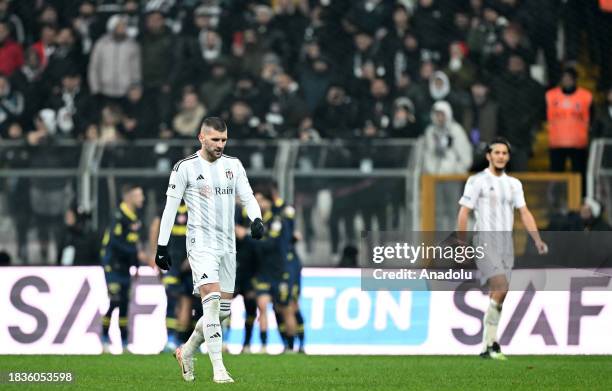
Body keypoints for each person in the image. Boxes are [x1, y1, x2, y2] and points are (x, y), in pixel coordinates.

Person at [154, 117, 264, 383]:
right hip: (201, 246)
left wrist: (256, 218)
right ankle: (219, 370)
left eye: (224, 140)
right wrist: (161, 245)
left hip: (228, 246)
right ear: (201, 137)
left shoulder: (233, 165)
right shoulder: (185, 168)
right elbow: (170, 208)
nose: (220, 145)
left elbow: (248, 197)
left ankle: (187, 350)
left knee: (222, 310)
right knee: (212, 303)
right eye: (215, 139)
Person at [456, 137, 549, 360]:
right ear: (488, 156)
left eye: (504, 153)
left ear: (508, 157)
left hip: (506, 244)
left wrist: (536, 239)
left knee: (499, 294)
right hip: (484, 240)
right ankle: (492, 343)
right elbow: (464, 212)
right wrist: (461, 243)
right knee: (501, 285)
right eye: (496, 153)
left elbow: (524, 212)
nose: (500, 156)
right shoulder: (476, 181)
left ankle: (487, 345)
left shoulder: (514, 184)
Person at [100, 184, 146, 352]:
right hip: (112, 267)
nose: (142, 198)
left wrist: (136, 265)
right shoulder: (118, 216)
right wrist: (136, 253)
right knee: (115, 301)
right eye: (139, 195)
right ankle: (104, 338)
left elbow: (133, 242)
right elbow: (115, 243)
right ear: (128, 197)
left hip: (125, 269)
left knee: (125, 305)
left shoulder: (135, 218)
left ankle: (125, 343)